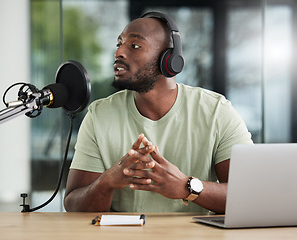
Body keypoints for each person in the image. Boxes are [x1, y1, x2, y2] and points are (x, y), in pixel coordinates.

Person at [63, 12, 253, 213]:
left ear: (169, 60)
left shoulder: (216, 111)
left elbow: (248, 197)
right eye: (119, 43)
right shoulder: (99, 114)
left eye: (135, 45)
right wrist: (107, 181)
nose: (119, 52)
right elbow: (74, 205)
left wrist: (186, 187)